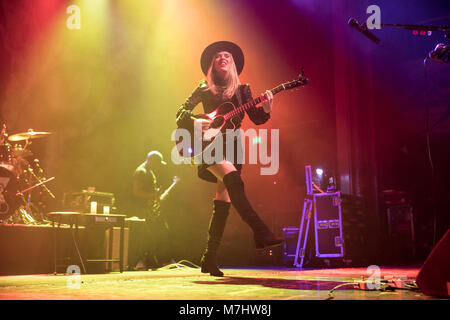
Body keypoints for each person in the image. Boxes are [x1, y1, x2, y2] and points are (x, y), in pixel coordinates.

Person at [176, 41, 283, 277]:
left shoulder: (243, 90)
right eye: (218, 56)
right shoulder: (203, 87)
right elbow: (180, 114)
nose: (223, 58)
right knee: (234, 181)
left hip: (234, 146)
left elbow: (257, 119)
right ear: (212, 63)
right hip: (209, 145)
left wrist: (267, 107)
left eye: (227, 56)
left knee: (222, 202)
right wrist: (194, 121)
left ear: (233, 63)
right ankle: (260, 231)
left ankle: (209, 258)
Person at [130, 150, 169, 270]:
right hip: (142, 210)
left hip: (149, 209)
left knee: (157, 234)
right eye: (157, 163)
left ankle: (152, 261)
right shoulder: (141, 172)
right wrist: (153, 195)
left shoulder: (149, 171)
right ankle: (145, 261)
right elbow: (136, 192)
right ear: (152, 161)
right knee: (150, 236)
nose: (158, 166)